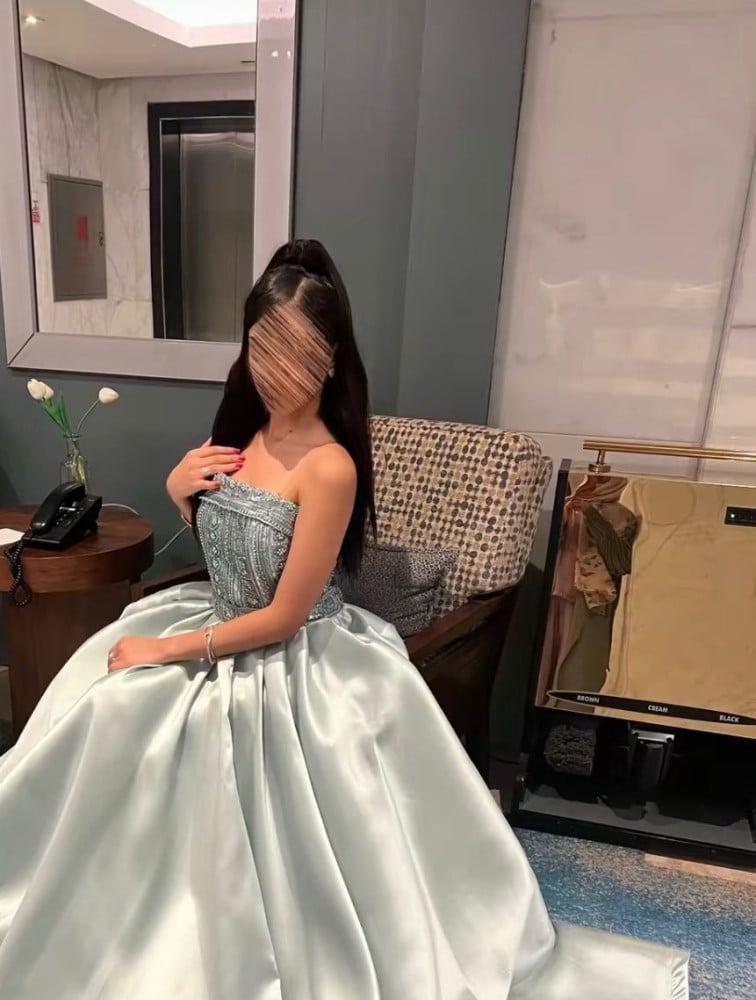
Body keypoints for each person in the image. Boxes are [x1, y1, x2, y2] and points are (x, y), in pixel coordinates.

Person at [0, 239, 688, 998]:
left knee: (156, 711)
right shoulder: (243, 434)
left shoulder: (331, 467)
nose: (277, 371)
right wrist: (178, 491)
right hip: (218, 620)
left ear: (330, 359)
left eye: (298, 354)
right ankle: (102, 914)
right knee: (104, 701)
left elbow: (283, 616)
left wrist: (167, 651)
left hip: (290, 655)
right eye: (263, 349)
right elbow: (231, 551)